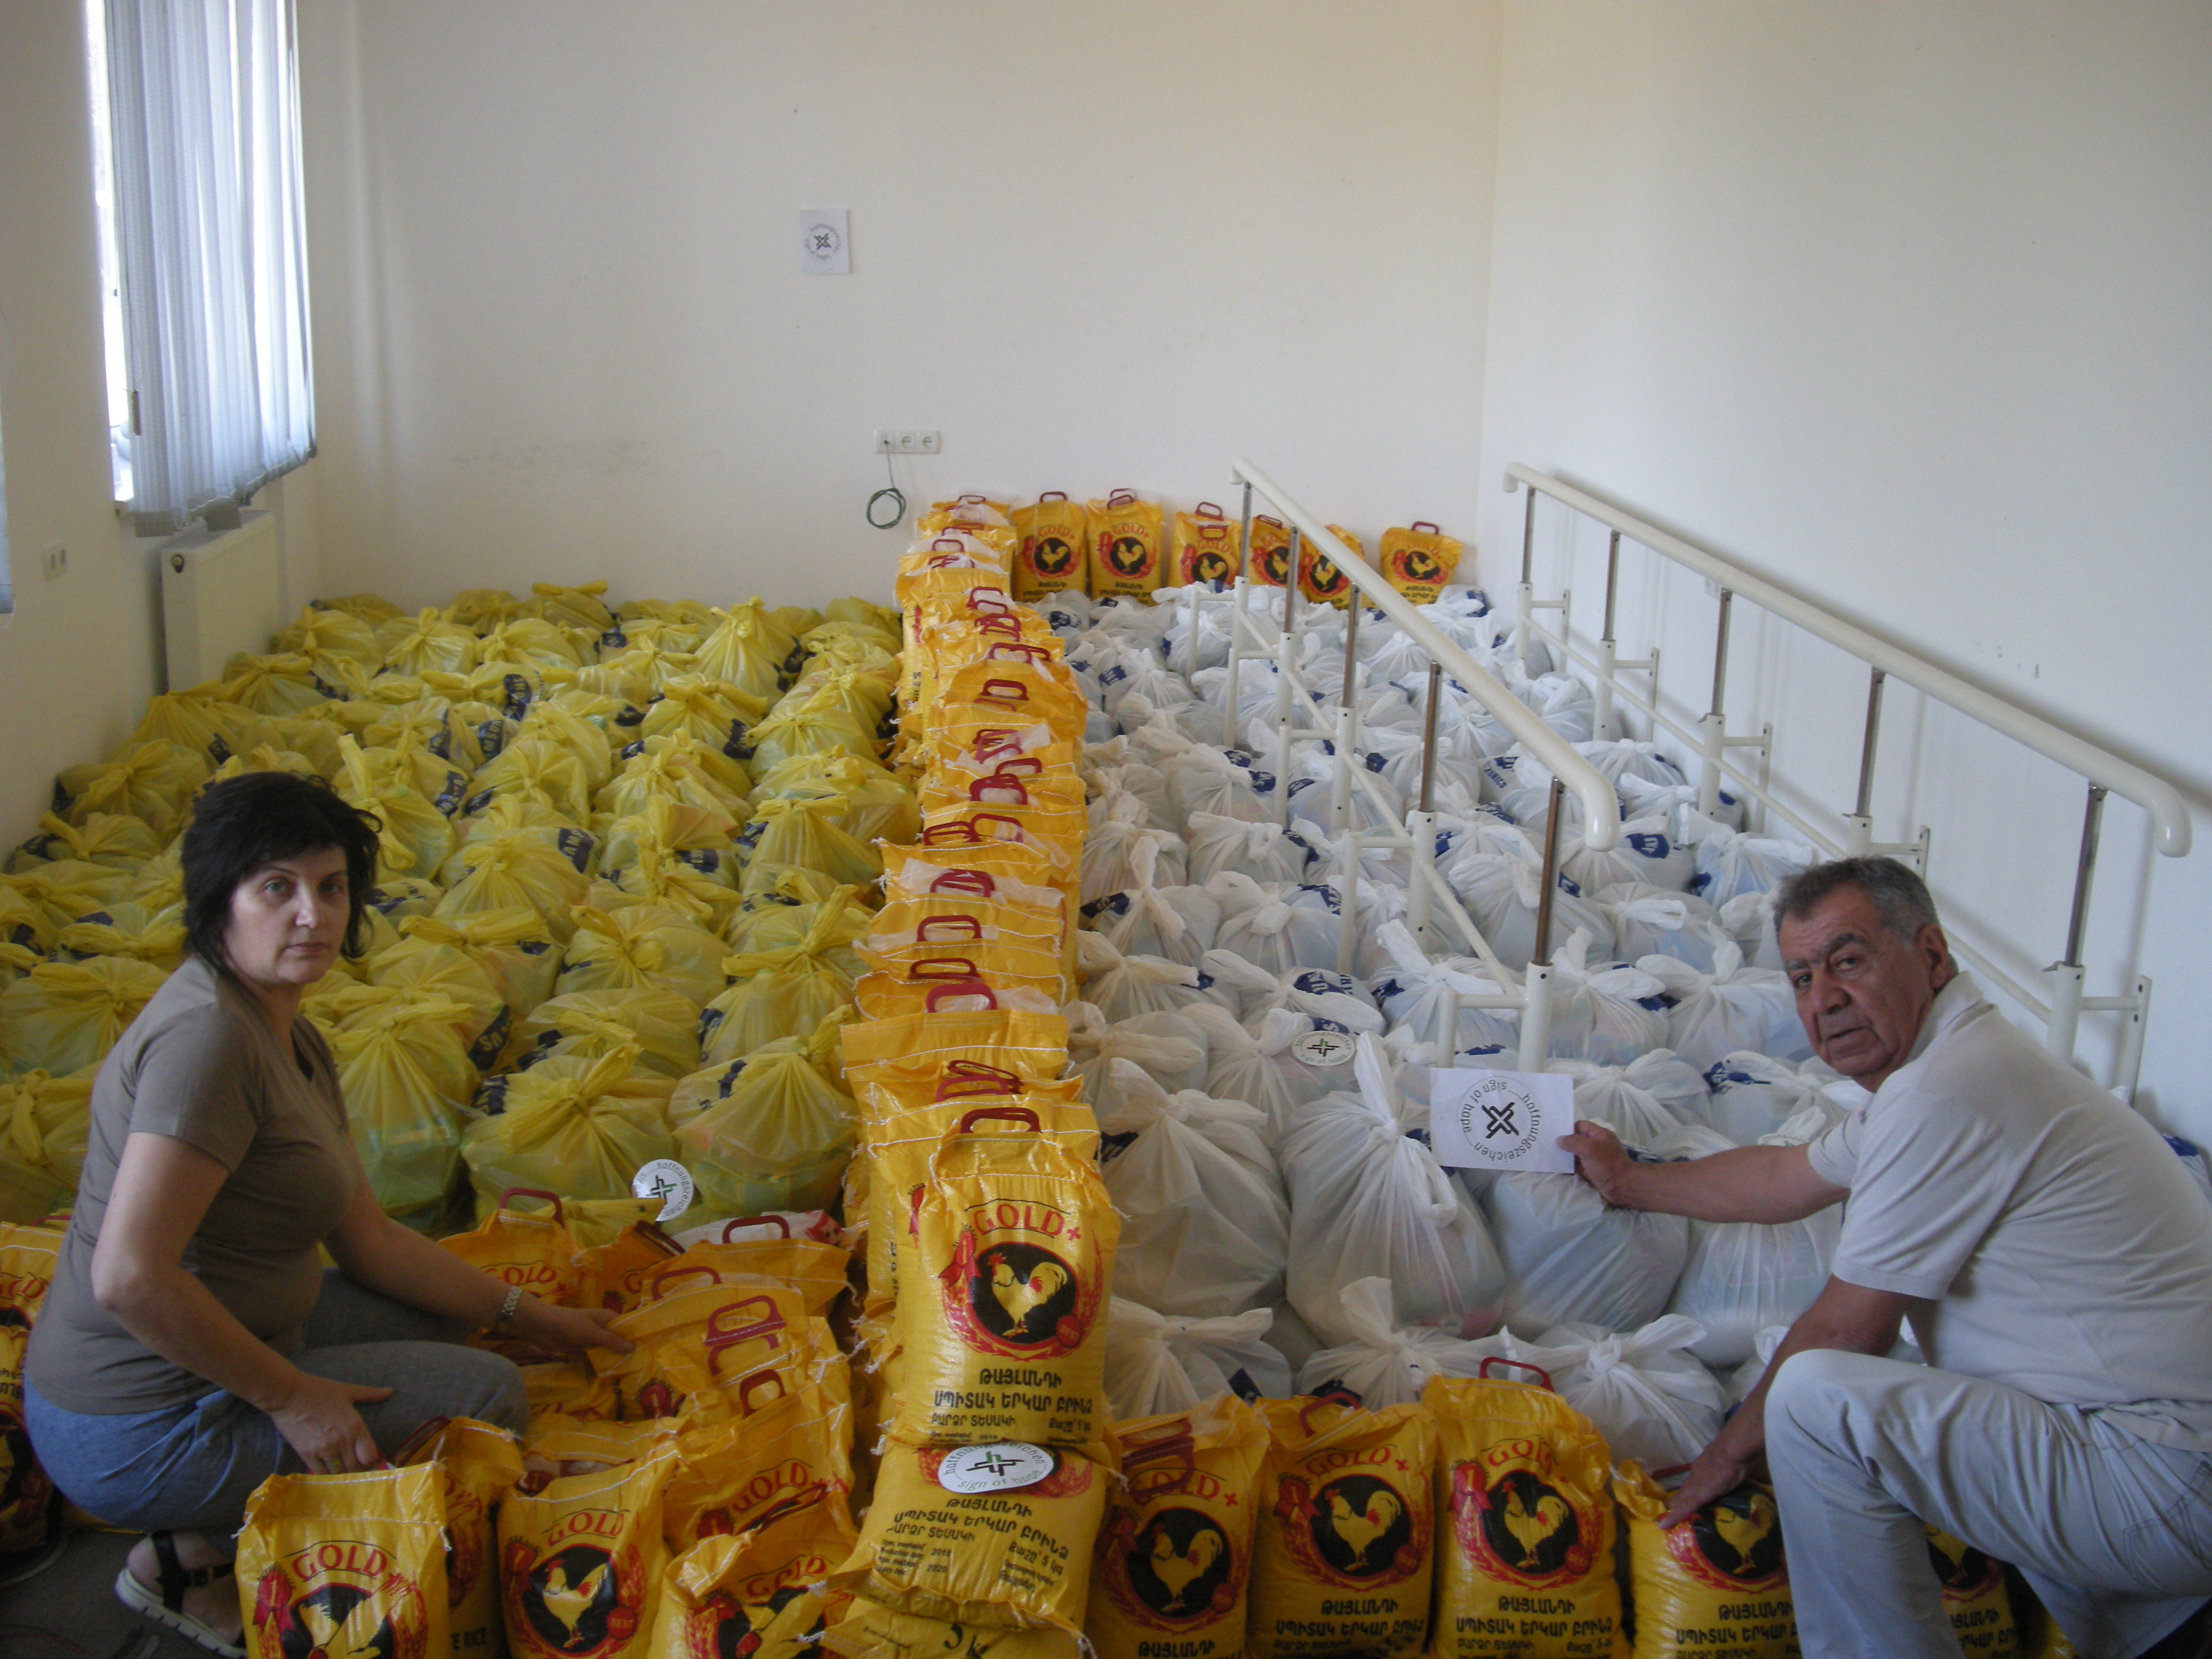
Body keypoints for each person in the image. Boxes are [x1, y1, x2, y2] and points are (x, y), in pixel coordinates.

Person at [23, 772, 630, 1657]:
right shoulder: (207, 1046)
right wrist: (295, 1399)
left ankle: (197, 1540)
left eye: (332, 886)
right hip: (136, 1421)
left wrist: (532, 1317)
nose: (314, 914)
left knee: (450, 1320)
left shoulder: (284, 1030)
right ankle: (211, 1548)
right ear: (218, 902)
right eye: (278, 888)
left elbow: (372, 1241)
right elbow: (127, 1278)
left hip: (236, 1336)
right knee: (483, 1398)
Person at [1562, 855, 2212, 1659]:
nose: (1823, 1000)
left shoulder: (1949, 1089)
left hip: (2158, 1470)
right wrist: (1628, 1182)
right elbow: (1782, 1179)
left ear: (1932, 955)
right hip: (2145, 1457)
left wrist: (1723, 1459)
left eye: (1849, 961)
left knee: (1811, 1399)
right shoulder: (1952, 1066)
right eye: (1800, 977)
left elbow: (1846, 1332)